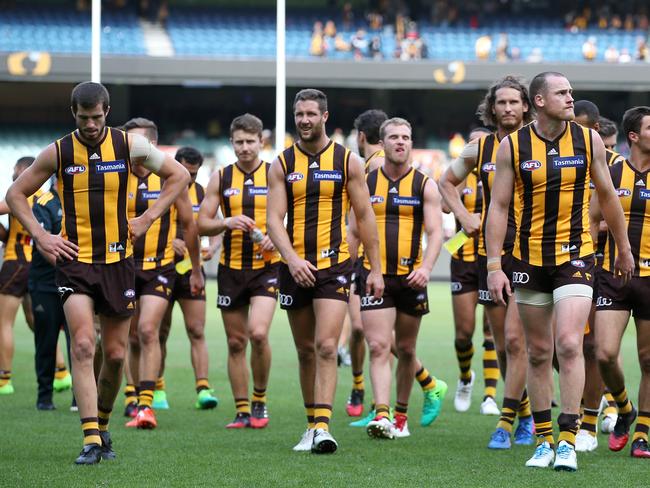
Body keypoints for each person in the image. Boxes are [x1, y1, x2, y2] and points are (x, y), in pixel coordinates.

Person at [6, 82, 193, 464]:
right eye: (82, 117)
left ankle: (103, 427)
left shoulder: (130, 146)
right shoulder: (58, 151)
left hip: (118, 263)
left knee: (116, 353)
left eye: (96, 117)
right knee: (83, 344)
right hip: (75, 263)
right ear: (73, 113)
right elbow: (14, 195)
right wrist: (41, 236)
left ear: (107, 111)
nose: (90, 125)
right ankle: (90, 437)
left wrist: (147, 217)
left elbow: (179, 177)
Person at [486, 71, 634, 471]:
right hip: (528, 260)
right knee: (537, 352)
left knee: (568, 344)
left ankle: (567, 440)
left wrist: (622, 248)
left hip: (576, 256)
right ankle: (544, 440)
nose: (572, 98)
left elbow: (607, 195)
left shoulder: (587, 141)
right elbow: (498, 207)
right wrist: (494, 265)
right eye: (563, 93)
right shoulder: (512, 146)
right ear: (539, 100)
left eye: (571, 92)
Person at [267, 89, 384, 454]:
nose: (304, 120)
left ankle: (322, 426)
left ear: (324, 116)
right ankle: (310, 424)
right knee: (305, 350)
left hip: (334, 266)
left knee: (327, 345)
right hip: (294, 267)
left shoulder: (348, 161)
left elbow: (365, 216)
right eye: (299, 114)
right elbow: (273, 219)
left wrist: (376, 269)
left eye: (310, 114)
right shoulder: (282, 164)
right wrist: (291, 259)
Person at [439, 75, 535, 448]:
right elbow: (445, 183)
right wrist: (463, 217)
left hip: (534, 253)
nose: (508, 108)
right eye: (502, 103)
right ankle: (523, 414)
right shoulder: (479, 150)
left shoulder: (540, 143)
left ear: (526, 105)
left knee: (521, 342)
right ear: (491, 108)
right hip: (491, 257)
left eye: (514, 102)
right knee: (504, 341)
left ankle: (512, 419)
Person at [349, 110, 444, 428]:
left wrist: (427, 268)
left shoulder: (425, 185)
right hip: (373, 276)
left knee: (405, 348)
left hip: (412, 277)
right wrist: (350, 269)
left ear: (412, 144)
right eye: (393, 137)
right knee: (377, 345)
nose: (400, 142)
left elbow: (435, 233)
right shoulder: (364, 181)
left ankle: (400, 417)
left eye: (405, 137)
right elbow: (352, 230)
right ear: (382, 142)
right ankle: (382, 414)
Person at [121, 118, 205, 430]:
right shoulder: (118, 175)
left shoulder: (170, 178)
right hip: (123, 267)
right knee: (128, 336)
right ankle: (132, 395)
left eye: (137, 142)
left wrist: (196, 270)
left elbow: (190, 226)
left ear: (152, 145)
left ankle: (146, 405)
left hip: (160, 268)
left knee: (147, 330)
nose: (130, 148)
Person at [198, 114, 278, 429]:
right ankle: (243, 410)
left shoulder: (276, 174)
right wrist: (226, 222)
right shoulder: (221, 178)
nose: (244, 148)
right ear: (231, 143)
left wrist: (277, 234)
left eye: (250, 142)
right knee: (235, 343)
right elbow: (202, 222)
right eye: (239, 142)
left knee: (258, 333)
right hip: (231, 269)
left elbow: (293, 216)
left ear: (262, 142)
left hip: (266, 268)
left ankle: (260, 401)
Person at [591, 106, 650, 459]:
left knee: (649, 359)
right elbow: (590, 218)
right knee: (604, 353)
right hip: (613, 277)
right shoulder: (611, 173)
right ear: (634, 136)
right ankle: (624, 408)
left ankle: (642, 432)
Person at [0, 158, 71, 396]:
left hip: (17, 262)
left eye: (15, 171)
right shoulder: (43, 200)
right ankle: (61, 371)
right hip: (40, 265)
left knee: (4, 323)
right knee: (39, 323)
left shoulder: (21, 198)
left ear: (23, 171)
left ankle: (4, 378)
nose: (13, 175)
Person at [154, 146, 218, 412]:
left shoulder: (202, 192)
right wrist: (171, 241)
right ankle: (157, 389)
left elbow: (214, 222)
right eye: (186, 172)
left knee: (197, 330)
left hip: (191, 268)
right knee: (159, 332)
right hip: (160, 268)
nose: (190, 179)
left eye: (194, 174)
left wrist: (212, 248)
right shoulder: (159, 187)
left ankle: (203, 388)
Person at [444, 126, 500, 416]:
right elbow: (443, 205)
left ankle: (490, 395)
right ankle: (466, 377)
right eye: (472, 145)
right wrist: (464, 215)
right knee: (464, 332)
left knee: (492, 331)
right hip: (463, 257)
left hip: (494, 257)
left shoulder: (501, 172)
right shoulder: (460, 176)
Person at [28, 181, 74, 410]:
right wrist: (68, 268)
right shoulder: (44, 203)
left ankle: (80, 397)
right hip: (46, 284)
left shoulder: (80, 198)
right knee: (46, 340)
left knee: (80, 340)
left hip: (76, 283)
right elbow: (43, 244)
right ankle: (44, 397)